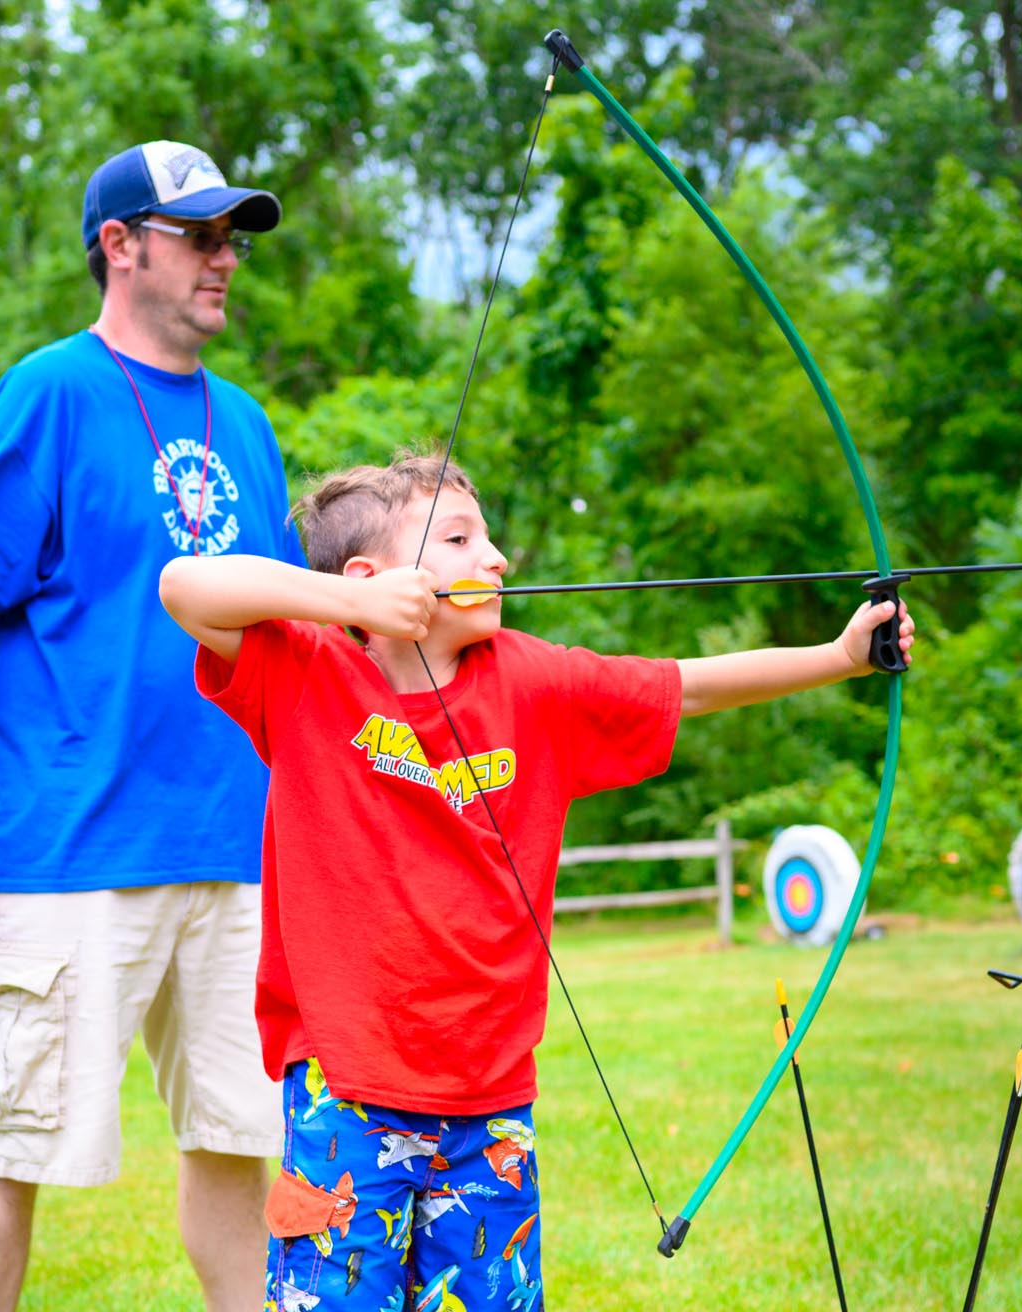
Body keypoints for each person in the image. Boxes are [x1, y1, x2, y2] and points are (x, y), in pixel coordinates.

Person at [159, 452, 916, 1310]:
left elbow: (686, 688)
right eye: (458, 538)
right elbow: (184, 586)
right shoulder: (307, 673)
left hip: (490, 1095)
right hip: (345, 1086)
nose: (497, 558)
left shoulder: (533, 681)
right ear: (372, 579)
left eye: (487, 537)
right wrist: (349, 606)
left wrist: (843, 655)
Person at [0, 139, 295, 1312]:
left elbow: (284, 637)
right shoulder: (49, 392)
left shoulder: (249, 422)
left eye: (233, 237)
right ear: (119, 247)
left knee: (244, 1140)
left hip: (236, 849)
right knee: (6, 1144)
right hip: (69, 848)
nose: (226, 259)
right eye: (201, 235)